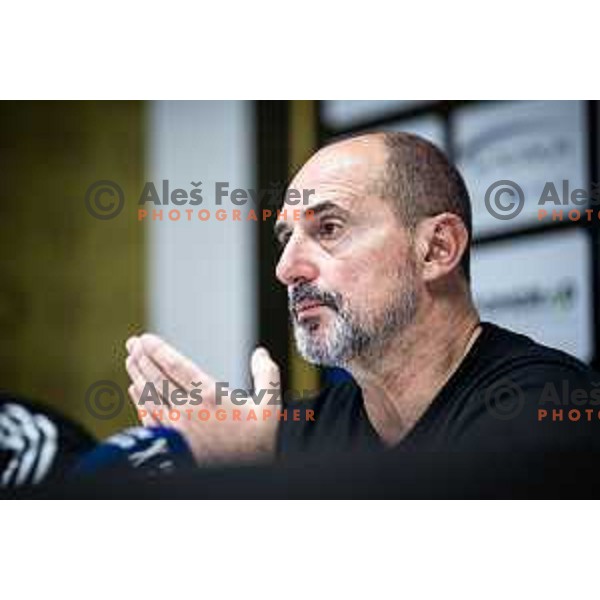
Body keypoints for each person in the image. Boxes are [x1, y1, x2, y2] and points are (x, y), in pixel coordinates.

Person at [124, 132, 600, 465]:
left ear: (437, 249)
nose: (286, 268)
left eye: (328, 228)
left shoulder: (547, 409)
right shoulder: (287, 435)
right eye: (286, 238)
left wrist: (257, 482)